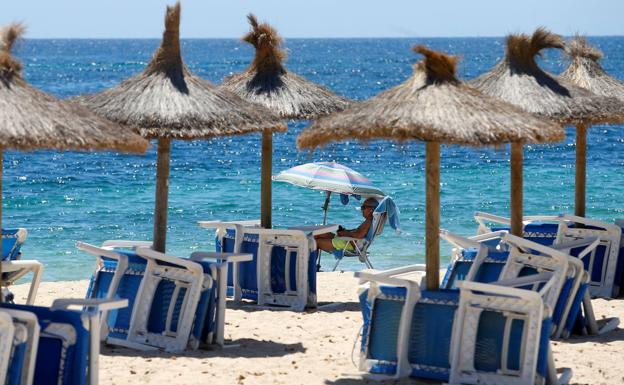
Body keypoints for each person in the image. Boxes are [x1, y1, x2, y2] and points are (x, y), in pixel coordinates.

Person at [314, 197, 379, 253]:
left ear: (371, 209)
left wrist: (345, 233)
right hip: (348, 240)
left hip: (349, 243)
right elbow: (359, 233)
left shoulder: (369, 221)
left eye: (363, 207)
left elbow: (359, 235)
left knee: (315, 242)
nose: (361, 210)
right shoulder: (370, 221)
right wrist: (346, 232)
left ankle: (311, 265)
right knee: (318, 233)